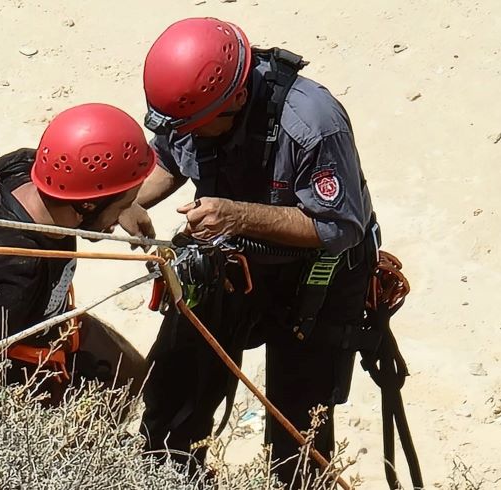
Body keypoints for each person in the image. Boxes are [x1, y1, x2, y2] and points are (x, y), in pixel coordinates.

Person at [124, 17, 381, 485]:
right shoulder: (194, 102)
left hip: (315, 280)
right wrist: (125, 201)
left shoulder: (313, 124)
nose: (191, 136)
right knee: (172, 399)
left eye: (199, 128)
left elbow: (341, 226)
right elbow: (167, 156)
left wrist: (239, 216)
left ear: (238, 99)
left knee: (298, 433)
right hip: (231, 262)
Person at [0, 103, 156, 401]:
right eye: (121, 203)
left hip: (53, 324)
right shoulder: (15, 272)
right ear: (88, 204)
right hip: (23, 370)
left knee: (138, 378)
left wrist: (123, 206)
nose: (123, 212)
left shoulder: (22, 166)